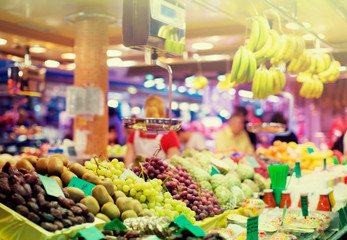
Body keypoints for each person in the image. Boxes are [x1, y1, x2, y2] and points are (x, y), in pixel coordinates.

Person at [124, 96, 180, 168]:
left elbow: (128, 162)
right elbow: (172, 164)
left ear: (145, 110)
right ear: (163, 112)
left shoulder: (135, 133)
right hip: (160, 178)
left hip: (136, 177)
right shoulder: (169, 134)